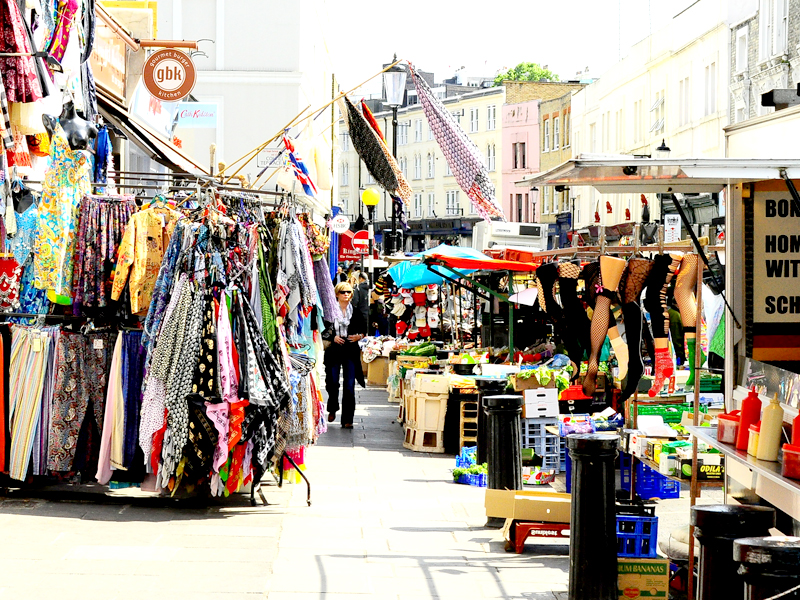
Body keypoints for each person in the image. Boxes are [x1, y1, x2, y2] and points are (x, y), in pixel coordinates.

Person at [322, 282, 368, 428]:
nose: (346, 294)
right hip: (334, 350)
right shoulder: (329, 311)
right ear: (337, 294)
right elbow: (321, 327)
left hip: (350, 350)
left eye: (348, 292)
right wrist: (332, 337)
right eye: (343, 292)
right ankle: (332, 407)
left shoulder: (356, 312)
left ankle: (348, 419)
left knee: (349, 385)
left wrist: (359, 336)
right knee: (332, 382)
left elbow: (364, 329)